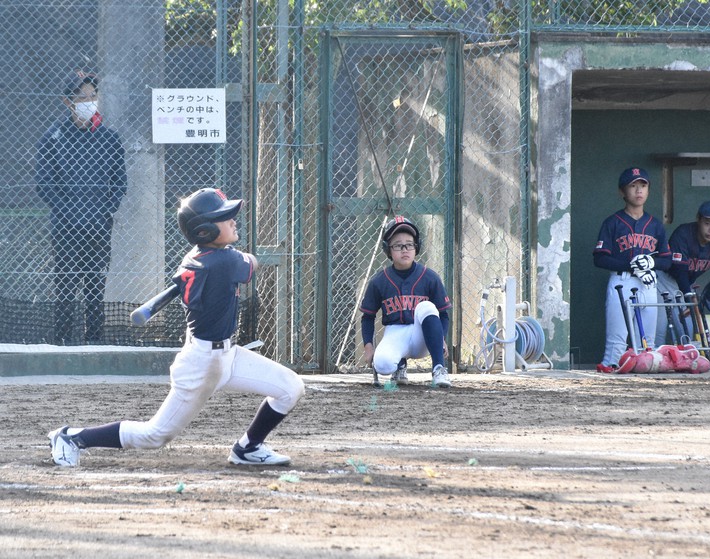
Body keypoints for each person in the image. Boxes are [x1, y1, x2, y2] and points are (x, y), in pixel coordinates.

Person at [48, 188, 305, 467]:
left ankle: (248, 448)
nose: (233, 221)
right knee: (154, 435)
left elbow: (225, 262)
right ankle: (71, 437)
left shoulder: (200, 258)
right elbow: (251, 262)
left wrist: (225, 249)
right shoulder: (224, 261)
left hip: (227, 356)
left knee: (290, 387)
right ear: (204, 230)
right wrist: (231, 253)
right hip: (201, 365)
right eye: (224, 217)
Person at [35, 69, 127, 344]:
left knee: (96, 287)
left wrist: (105, 210)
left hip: (99, 225)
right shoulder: (52, 138)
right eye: (82, 97)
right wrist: (71, 213)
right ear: (68, 102)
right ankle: (62, 343)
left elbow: (119, 183)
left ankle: (95, 341)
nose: (90, 101)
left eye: (93, 96)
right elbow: (44, 185)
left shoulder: (109, 139)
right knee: (65, 287)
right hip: (66, 228)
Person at [593, 167, 671, 372]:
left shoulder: (655, 225)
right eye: (633, 186)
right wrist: (631, 266)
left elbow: (667, 260)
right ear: (622, 192)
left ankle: (644, 373)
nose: (639, 190)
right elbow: (600, 258)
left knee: (648, 341)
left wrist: (651, 264)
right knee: (617, 339)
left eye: (643, 185)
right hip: (622, 281)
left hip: (648, 283)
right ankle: (612, 370)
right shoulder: (612, 223)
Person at [360, 216, 452, 387]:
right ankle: (399, 365)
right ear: (388, 250)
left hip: (423, 336)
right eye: (398, 245)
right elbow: (367, 317)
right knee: (383, 364)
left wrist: (442, 338)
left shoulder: (430, 277)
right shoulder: (379, 281)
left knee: (427, 307)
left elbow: (443, 314)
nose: (404, 249)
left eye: (409, 244)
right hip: (395, 333)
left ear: (416, 247)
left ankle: (439, 368)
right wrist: (368, 346)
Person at [655, 200, 710, 345]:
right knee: (658, 332)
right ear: (698, 219)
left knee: (688, 333)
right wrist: (689, 301)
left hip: (687, 285)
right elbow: (679, 271)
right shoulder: (683, 233)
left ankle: (689, 365)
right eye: (707, 223)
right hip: (663, 282)